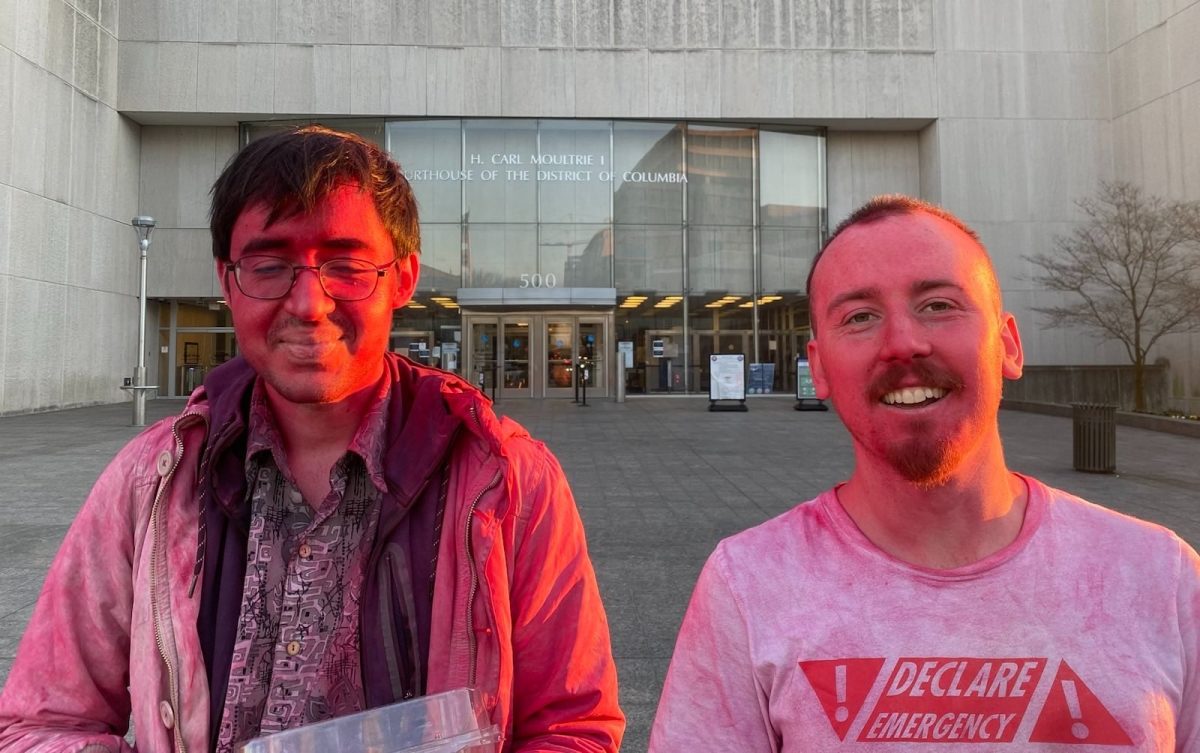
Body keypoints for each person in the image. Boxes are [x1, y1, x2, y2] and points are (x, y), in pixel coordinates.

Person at [0, 126, 624, 752]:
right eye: (270, 266)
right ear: (227, 279)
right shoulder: (152, 484)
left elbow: (573, 727)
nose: (308, 303)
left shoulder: (506, 480)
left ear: (402, 278)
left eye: (348, 267)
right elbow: (42, 723)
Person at [649, 196, 1199, 751]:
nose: (903, 344)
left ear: (1008, 344)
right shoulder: (747, 586)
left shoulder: (1163, 578)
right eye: (859, 317)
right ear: (818, 368)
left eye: (938, 304)